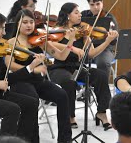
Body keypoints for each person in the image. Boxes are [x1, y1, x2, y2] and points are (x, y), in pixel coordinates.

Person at [5, 9, 77, 143]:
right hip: (20, 82)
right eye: (25, 22)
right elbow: (10, 65)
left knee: (62, 95)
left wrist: (71, 41)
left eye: (31, 22)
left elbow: (61, 56)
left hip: (38, 82)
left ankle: (65, 139)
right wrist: (33, 68)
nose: (29, 25)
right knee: (33, 99)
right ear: (18, 24)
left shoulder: (40, 40)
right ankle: (31, 140)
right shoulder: (11, 42)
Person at [48, 2, 118, 131]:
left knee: (101, 76)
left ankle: (102, 112)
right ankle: (70, 116)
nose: (80, 15)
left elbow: (91, 54)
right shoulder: (57, 32)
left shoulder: (83, 31)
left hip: (78, 67)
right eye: (76, 12)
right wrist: (73, 47)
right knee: (69, 81)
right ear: (68, 16)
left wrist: (107, 41)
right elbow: (54, 46)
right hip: (60, 68)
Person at [0, 11, 39, 143]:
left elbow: (8, 79)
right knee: (13, 109)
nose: (4, 33)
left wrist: (31, 67)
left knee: (31, 103)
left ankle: (22, 140)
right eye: (2, 28)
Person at [81, 0, 119, 81]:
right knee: (73, 58)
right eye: (92, 5)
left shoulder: (109, 18)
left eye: (98, 4)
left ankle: (102, 88)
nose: (96, 7)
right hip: (86, 47)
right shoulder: (83, 15)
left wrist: (111, 36)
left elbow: (114, 41)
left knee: (103, 62)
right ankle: (82, 86)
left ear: (102, 2)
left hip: (105, 48)